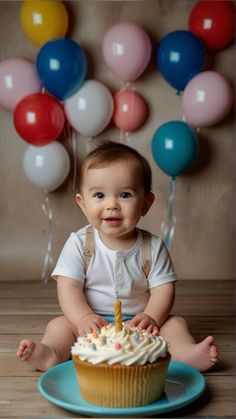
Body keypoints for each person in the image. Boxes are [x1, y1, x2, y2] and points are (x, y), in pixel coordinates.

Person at [17, 141, 218, 372]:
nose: (112, 205)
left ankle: (186, 353)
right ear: (83, 204)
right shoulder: (80, 243)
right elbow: (68, 287)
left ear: (145, 203)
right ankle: (51, 352)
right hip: (93, 323)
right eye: (100, 195)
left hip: (139, 323)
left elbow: (164, 290)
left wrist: (151, 317)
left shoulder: (152, 247)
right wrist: (83, 318)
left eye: (124, 195)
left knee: (175, 324)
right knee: (59, 325)